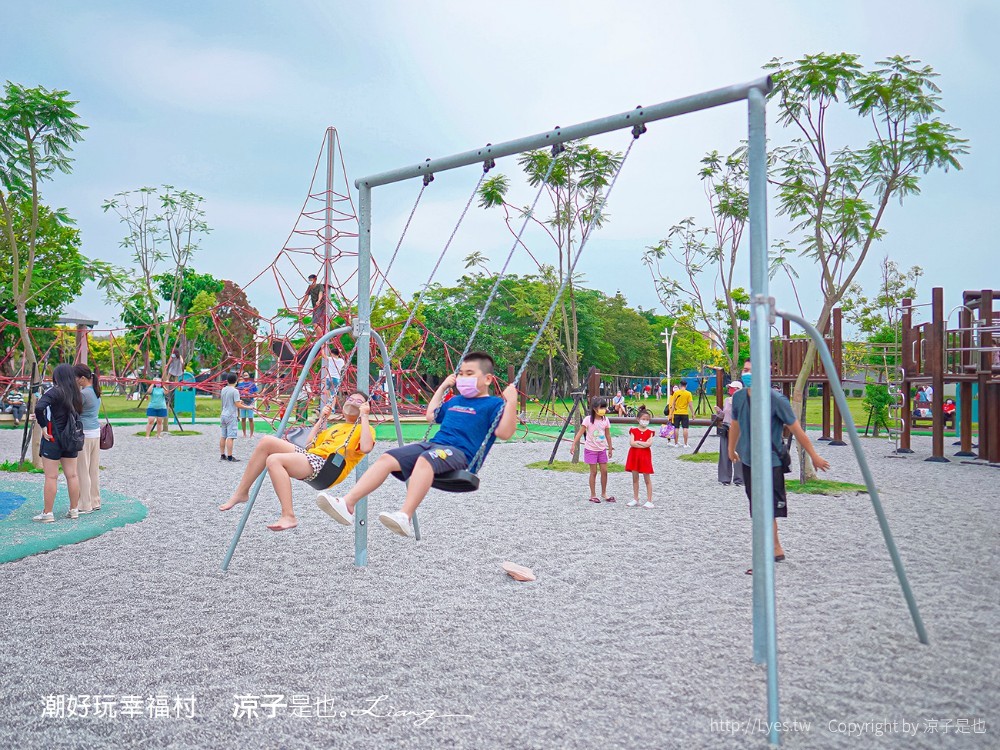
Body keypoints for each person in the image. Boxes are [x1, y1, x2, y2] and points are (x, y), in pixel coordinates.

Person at [314, 351, 518, 538]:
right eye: (461, 374)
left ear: (488, 379)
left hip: (460, 453)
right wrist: (443, 387)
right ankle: (347, 504)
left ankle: (405, 516)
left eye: (470, 373)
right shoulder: (456, 401)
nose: (463, 378)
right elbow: (431, 415)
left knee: (425, 459)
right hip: (435, 445)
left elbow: (504, 432)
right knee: (387, 458)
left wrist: (511, 402)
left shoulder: (494, 405)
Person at [219, 392, 376, 531]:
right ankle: (242, 492)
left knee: (274, 460)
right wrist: (322, 419)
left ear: (364, 407)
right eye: (350, 398)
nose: (352, 401)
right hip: (312, 457)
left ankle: (289, 515)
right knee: (267, 441)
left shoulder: (365, 429)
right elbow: (308, 444)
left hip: (327, 467)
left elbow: (367, 447)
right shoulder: (336, 427)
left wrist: (365, 417)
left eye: (358, 401)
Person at [728, 369, 830, 574]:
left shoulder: (776, 399)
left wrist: (813, 456)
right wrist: (731, 449)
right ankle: (775, 548)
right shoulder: (739, 397)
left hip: (769, 462)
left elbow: (796, 429)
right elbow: (735, 424)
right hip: (748, 460)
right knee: (759, 509)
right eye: (746, 369)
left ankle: (763, 558)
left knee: (763, 511)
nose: (748, 373)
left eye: (751, 369)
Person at [32, 364, 82, 522]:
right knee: (72, 475)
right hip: (71, 438)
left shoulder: (55, 391)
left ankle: (48, 513)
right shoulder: (76, 393)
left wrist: (44, 425)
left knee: (51, 477)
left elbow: (39, 407)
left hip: (53, 438)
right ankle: (74, 509)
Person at [571, 396, 615, 503]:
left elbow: (608, 435)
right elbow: (580, 433)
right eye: (601, 407)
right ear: (595, 408)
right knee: (593, 472)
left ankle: (604, 493)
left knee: (604, 471)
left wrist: (609, 448)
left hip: (602, 449)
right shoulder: (588, 420)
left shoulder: (606, 420)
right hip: (591, 450)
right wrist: (574, 444)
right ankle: (593, 494)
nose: (603, 410)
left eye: (605, 408)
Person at [73, 364, 103, 513]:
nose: (75, 381)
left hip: (84, 433)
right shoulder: (95, 391)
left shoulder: (84, 394)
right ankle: (95, 500)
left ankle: (84, 504)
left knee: (82, 470)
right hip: (95, 433)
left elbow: (73, 410)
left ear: (83, 378)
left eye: (76, 378)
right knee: (93, 470)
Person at [715, 380, 744, 487]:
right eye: (730, 388)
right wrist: (719, 412)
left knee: (738, 452)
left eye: (732, 388)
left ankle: (739, 479)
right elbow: (724, 415)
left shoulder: (744, 401)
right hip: (726, 427)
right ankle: (724, 478)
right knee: (724, 453)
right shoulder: (727, 400)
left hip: (738, 429)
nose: (730, 390)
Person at [625, 407, 655, 508]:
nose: (645, 421)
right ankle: (635, 498)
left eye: (647, 419)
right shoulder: (633, 430)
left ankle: (649, 500)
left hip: (645, 456)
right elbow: (632, 443)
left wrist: (639, 443)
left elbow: (649, 444)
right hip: (634, 455)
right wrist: (642, 443)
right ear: (638, 419)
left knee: (647, 478)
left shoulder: (650, 432)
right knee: (635, 478)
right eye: (643, 419)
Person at [219, 373, 241, 462]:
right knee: (230, 437)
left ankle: (222, 455)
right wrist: (248, 407)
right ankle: (230, 456)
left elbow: (227, 401)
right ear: (236, 381)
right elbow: (237, 404)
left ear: (227, 380)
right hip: (231, 415)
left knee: (223, 435)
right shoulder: (235, 391)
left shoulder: (223, 389)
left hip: (223, 414)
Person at [668, 379, 694, 448]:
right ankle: (685, 444)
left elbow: (673, 404)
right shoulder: (688, 393)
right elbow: (690, 405)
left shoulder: (676, 393)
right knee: (685, 428)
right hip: (685, 413)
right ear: (686, 385)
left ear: (680, 385)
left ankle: (676, 443)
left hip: (676, 413)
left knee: (676, 428)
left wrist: (671, 414)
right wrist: (693, 413)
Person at [237, 372, 259, 438]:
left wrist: (249, 395)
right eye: (244, 375)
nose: (245, 376)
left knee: (250, 419)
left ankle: (251, 434)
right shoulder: (240, 385)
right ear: (243, 376)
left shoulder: (252, 384)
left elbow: (255, 394)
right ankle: (244, 434)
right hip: (243, 403)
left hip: (250, 403)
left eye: (247, 375)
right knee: (243, 419)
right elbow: (238, 394)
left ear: (249, 376)